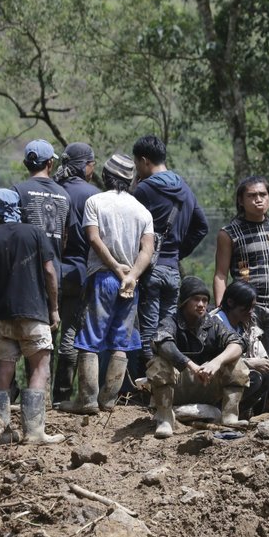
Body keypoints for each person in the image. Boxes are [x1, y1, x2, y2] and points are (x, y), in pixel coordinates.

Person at [59, 154, 154, 415]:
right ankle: (109, 400)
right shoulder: (142, 210)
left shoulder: (95, 202)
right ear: (130, 179)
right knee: (120, 340)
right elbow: (147, 250)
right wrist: (131, 275)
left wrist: (115, 268)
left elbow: (94, 239)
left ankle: (87, 400)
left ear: (106, 175)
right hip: (130, 282)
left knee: (89, 337)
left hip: (103, 277)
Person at [0, 189, 64, 444]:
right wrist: (54, 308)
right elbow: (49, 272)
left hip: (2, 317)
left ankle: (0, 431)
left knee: (4, 368)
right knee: (39, 366)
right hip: (34, 314)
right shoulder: (34, 233)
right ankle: (34, 432)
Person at [214, 176, 269, 414]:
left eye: (262, 195)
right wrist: (222, 311)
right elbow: (221, 274)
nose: (258, 200)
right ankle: (240, 411)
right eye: (252, 196)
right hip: (245, 311)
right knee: (247, 364)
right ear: (241, 201)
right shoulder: (229, 233)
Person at [132, 135, 209, 377]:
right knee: (166, 331)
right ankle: (166, 385)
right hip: (173, 270)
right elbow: (202, 226)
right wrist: (178, 253)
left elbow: (131, 225)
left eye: (137, 165)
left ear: (144, 161)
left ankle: (150, 386)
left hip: (149, 270)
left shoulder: (144, 189)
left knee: (147, 330)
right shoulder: (185, 188)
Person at [148, 277, 249, 439]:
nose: (201, 304)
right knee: (159, 363)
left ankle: (229, 417)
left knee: (237, 363)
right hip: (178, 389)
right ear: (185, 302)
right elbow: (162, 343)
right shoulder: (170, 322)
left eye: (204, 300)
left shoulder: (214, 324)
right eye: (196, 299)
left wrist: (217, 362)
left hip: (208, 385)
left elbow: (237, 343)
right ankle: (165, 418)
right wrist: (192, 366)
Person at [51, 142, 100, 404]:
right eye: (93, 163)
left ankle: (39, 394)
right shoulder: (93, 195)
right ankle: (62, 397)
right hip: (80, 274)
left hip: (50, 271)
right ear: (85, 166)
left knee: (46, 335)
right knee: (70, 334)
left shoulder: (53, 190)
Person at [211, 280, 269, 419]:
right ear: (231, 302)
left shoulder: (245, 326)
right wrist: (250, 363)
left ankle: (239, 414)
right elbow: (214, 361)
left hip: (230, 376)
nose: (251, 312)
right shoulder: (214, 324)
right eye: (247, 307)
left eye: (253, 307)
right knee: (253, 378)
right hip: (212, 381)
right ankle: (219, 411)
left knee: (266, 378)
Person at [12, 139, 70, 277]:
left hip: (23, 277)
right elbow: (65, 239)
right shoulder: (65, 195)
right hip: (54, 274)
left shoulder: (16, 192)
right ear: (50, 163)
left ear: (25, 164)